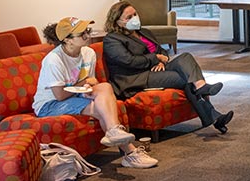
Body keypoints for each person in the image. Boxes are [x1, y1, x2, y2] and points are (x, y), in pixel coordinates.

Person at [32, 17, 157, 169]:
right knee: (103, 110)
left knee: (105, 87)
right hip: (50, 105)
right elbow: (59, 95)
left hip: (74, 95)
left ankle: (114, 132)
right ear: (67, 40)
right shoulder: (54, 60)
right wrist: (85, 84)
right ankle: (129, 152)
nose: (87, 36)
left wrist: (92, 86)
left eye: (87, 31)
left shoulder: (88, 53)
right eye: (81, 34)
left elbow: (86, 84)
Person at [102, 1, 233, 134]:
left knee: (186, 57)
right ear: (117, 21)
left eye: (135, 14)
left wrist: (161, 62)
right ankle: (214, 118)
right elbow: (129, 61)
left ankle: (201, 86)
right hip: (136, 77)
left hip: (155, 69)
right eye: (129, 17)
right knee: (185, 79)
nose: (134, 18)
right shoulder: (112, 40)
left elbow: (161, 50)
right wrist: (156, 58)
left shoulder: (144, 32)